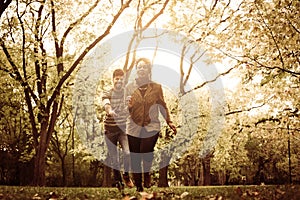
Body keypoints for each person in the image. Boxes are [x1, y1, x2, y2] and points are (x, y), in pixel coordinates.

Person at [125, 58, 177, 192]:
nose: (141, 69)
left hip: (151, 125)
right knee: (135, 156)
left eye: (144, 67)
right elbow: (125, 109)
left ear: (149, 70)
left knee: (146, 151)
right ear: (136, 70)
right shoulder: (129, 87)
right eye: (139, 67)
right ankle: (139, 186)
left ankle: (146, 173)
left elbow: (162, 105)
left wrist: (169, 121)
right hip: (133, 126)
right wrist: (129, 106)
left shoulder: (156, 87)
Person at [102, 69, 134, 190]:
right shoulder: (107, 92)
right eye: (117, 79)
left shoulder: (127, 94)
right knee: (114, 158)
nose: (119, 81)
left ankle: (126, 175)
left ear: (124, 80)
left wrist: (131, 106)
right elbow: (106, 103)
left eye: (121, 79)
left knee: (127, 153)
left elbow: (130, 110)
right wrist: (110, 111)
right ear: (113, 80)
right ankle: (118, 182)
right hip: (109, 129)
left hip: (122, 129)